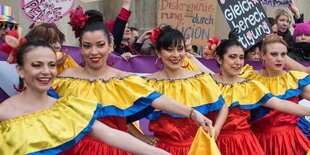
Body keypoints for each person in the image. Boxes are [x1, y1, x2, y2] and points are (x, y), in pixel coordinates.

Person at [55, 6, 213, 155]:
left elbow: (157, 98)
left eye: (100, 45)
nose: (94, 52)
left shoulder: (121, 79)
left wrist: (193, 114)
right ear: (81, 48)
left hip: (116, 148)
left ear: (111, 46)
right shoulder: (67, 76)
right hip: (75, 148)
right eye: (87, 46)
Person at [0, 40, 170, 155]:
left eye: (51, 64)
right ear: (20, 70)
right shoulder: (4, 113)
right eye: (37, 65)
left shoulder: (67, 107)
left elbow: (112, 135)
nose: (46, 71)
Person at [190, 37, 310, 155]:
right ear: (219, 59)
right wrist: (189, 57)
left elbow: (280, 103)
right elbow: (205, 75)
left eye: (241, 57)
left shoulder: (249, 86)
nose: (238, 62)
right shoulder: (208, 82)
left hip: (243, 143)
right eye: (232, 57)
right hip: (214, 140)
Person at [128, 26, 227, 154]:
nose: (176, 55)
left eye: (180, 49)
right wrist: (140, 136)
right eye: (169, 50)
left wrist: (216, 130)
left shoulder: (200, 80)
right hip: (163, 150)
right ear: (158, 52)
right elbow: (121, 114)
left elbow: (222, 105)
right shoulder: (147, 83)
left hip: (197, 149)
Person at [240, 34, 310, 155]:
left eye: (283, 54)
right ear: (263, 55)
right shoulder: (249, 77)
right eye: (274, 54)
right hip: (257, 141)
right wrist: (194, 60)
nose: (279, 59)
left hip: (289, 141)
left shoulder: (293, 79)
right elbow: (217, 81)